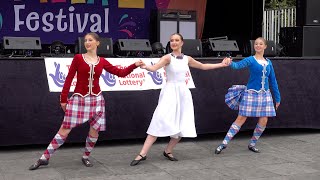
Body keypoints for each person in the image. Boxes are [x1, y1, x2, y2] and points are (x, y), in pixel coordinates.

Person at [29, 32, 143, 170]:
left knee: (95, 131)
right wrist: (63, 99)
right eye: (85, 40)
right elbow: (69, 79)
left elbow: (121, 73)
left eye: (90, 40)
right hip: (79, 99)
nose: (87, 42)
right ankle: (44, 158)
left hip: (97, 100)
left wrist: (135, 65)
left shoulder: (102, 61)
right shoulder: (78, 58)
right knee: (64, 130)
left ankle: (86, 156)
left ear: (97, 43)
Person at [130, 33, 231, 166]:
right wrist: (145, 66)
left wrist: (221, 65)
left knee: (183, 122)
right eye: (171, 40)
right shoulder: (167, 57)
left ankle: (168, 150)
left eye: (177, 40)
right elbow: (154, 68)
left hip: (183, 93)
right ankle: (142, 153)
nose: (174, 42)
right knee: (158, 120)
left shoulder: (187, 59)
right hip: (170, 92)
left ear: (182, 43)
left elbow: (203, 66)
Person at [214, 37, 281, 154]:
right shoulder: (251, 59)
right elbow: (237, 66)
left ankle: (252, 143)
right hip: (251, 93)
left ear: (265, 46)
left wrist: (278, 97)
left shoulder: (269, 63)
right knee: (241, 118)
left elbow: (273, 81)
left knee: (264, 120)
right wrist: (229, 61)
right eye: (256, 44)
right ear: (254, 46)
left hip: (265, 95)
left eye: (261, 44)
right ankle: (224, 143)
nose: (258, 46)